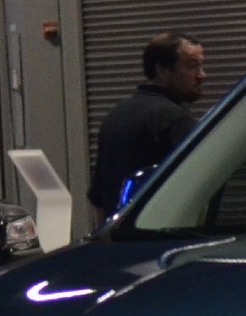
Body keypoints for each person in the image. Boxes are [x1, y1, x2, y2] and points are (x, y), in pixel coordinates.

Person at [88, 31, 207, 218]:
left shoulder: (114, 116)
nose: (202, 75)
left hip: (121, 240)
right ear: (162, 70)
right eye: (191, 66)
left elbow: (99, 200)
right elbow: (194, 191)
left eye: (201, 65)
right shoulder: (176, 119)